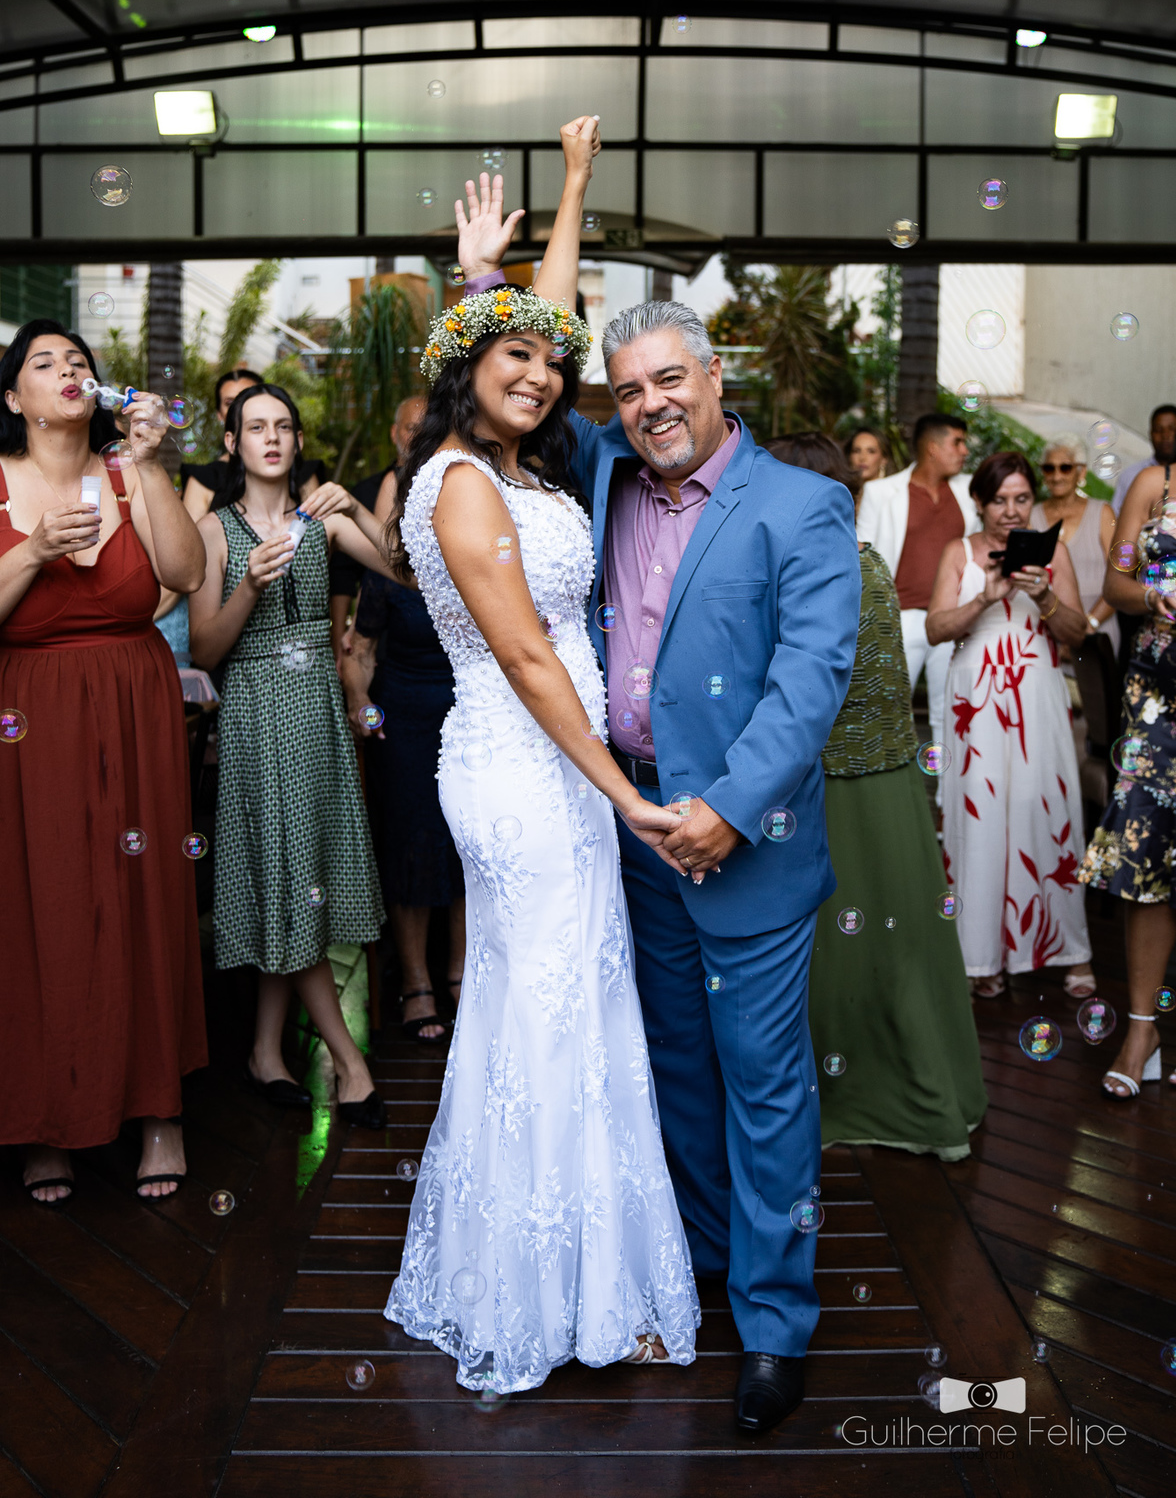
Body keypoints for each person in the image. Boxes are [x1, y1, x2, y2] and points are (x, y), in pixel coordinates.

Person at [449, 151, 862, 1432]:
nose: (649, 406)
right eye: (628, 390)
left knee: (766, 1083)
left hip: (745, 839)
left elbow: (812, 679)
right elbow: (512, 378)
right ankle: (706, 1263)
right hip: (625, 828)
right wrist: (480, 285)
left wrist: (725, 810)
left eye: (669, 380)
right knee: (674, 1061)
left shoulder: (803, 506)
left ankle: (775, 1324)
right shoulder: (605, 471)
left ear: (716, 376)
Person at [383, 120, 701, 1396]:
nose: (542, 373)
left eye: (551, 364)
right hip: (525, 771)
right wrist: (625, 794)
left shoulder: (513, 463)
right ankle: (552, 1294)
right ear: (465, 370)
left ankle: (558, 1276)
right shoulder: (463, 485)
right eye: (510, 356)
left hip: (552, 769)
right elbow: (524, 657)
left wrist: (571, 190)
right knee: (555, 1005)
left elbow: (543, 328)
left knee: (555, 1002)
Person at [0, 320, 208, 1204]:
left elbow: (185, 574)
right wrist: (33, 550)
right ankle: (45, 1115)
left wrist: (149, 464)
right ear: (13, 397)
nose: (67, 370)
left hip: (134, 708)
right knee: (40, 908)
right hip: (30, 712)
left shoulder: (127, 473)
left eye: (78, 361)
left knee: (144, 899)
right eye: (44, 363)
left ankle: (159, 1109)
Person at [766, 432, 986, 1161]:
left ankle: (859, 1096)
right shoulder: (866, 561)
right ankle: (931, 1088)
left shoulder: (815, 576)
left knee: (846, 956)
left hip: (837, 789)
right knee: (901, 951)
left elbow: (799, 695)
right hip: (889, 786)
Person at [189, 384, 390, 1126]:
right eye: (255, 427)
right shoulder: (213, 531)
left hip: (317, 715)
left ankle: (264, 1052)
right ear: (232, 443)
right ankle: (349, 1061)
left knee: (297, 879)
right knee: (287, 874)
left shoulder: (320, 522)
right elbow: (206, 650)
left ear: (298, 441)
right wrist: (248, 584)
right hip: (258, 714)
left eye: (283, 426)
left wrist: (357, 508)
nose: (271, 437)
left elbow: (405, 570)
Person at [927, 451, 1095, 999]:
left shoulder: (1054, 553)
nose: (1011, 510)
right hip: (975, 703)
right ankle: (982, 955)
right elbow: (935, 629)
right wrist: (986, 597)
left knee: (1044, 807)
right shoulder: (959, 552)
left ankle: (1068, 949)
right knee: (979, 818)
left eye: (1022, 499)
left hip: (1036, 695)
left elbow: (1077, 634)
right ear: (979, 502)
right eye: (999, 500)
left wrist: (1043, 594)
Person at [1081, 387, 1176, 1099]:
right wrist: (1155, 594)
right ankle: (1140, 1031)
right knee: (1146, 861)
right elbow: (1118, 580)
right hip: (1158, 701)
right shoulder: (1156, 485)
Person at [341, 566, 465, 1042]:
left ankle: (461, 972)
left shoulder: (478, 551)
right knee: (410, 842)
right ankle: (416, 982)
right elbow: (360, 651)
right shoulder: (386, 568)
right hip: (403, 720)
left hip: (470, 712)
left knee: (466, 840)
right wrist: (358, 699)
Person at [857, 414, 975, 760]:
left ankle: (948, 791)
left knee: (950, 712)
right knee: (889, 709)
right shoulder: (882, 492)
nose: (965, 451)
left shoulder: (970, 492)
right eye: (957, 442)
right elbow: (862, 559)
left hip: (952, 620)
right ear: (932, 448)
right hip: (899, 620)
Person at [328, 394, 426, 662]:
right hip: (380, 629)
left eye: (428, 429)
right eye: (412, 428)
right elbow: (346, 573)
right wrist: (340, 639)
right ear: (395, 432)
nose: (420, 437)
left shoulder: (450, 487)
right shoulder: (364, 493)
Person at [182, 366, 327, 521]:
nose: (241, 406)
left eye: (249, 396)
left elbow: (318, 526)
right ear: (219, 414)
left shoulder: (304, 473)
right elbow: (190, 536)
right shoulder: (203, 479)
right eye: (230, 402)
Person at [1031, 433, 1119, 658]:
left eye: (1065, 468)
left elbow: (1120, 575)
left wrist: (1087, 626)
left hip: (1098, 629)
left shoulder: (1102, 513)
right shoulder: (1031, 516)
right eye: (1049, 468)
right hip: (1044, 635)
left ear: (1081, 472)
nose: (1056, 476)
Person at [1111, 403, 1176, 514]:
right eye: (1158, 430)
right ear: (1150, 433)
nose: (1165, 435)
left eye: (1172, 429)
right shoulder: (1131, 475)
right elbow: (1116, 515)